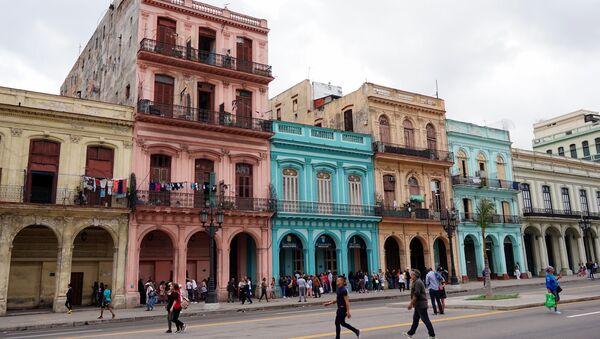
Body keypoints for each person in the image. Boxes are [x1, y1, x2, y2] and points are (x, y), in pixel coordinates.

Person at [402, 269, 436, 339]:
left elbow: (416, 294)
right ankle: (410, 333)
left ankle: (432, 335)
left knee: (426, 320)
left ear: (415, 275)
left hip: (421, 305)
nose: (410, 275)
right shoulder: (415, 281)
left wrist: (411, 304)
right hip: (418, 305)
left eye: (412, 274)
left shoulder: (417, 282)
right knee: (415, 320)